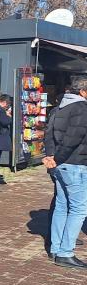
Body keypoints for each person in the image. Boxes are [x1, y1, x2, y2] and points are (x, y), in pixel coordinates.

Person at [43, 78, 87, 269]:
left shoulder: (59, 107)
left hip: (61, 163)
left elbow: (48, 134)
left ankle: (56, 247)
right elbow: (73, 139)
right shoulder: (82, 109)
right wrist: (57, 158)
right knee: (79, 209)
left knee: (62, 205)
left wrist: (51, 157)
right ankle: (65, 252)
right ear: (83, 92)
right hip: (75, 163)